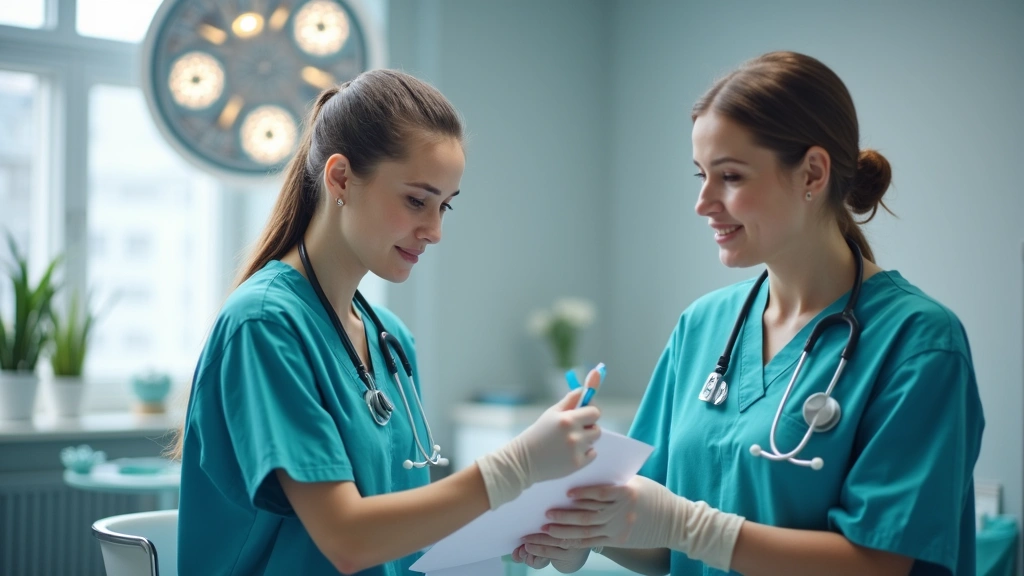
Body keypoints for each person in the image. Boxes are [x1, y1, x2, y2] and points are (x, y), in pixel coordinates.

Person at [512, 51, 984, 576]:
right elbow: (659, 541)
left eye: (730, 177)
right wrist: (587, 531)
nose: (702, 201)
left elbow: (877, 563)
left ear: (812, 172)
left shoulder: (918, 343)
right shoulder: (703, 327)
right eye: (701, 175)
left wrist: (687, 527)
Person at [173, 69, 603, 575]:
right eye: (417, 201)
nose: (435, 230)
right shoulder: (265, 326)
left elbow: (403, 538)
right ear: (340, 179)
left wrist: (540, 529)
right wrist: (517, 466)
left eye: (445, 206)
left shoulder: (391, 342)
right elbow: (347, 537)